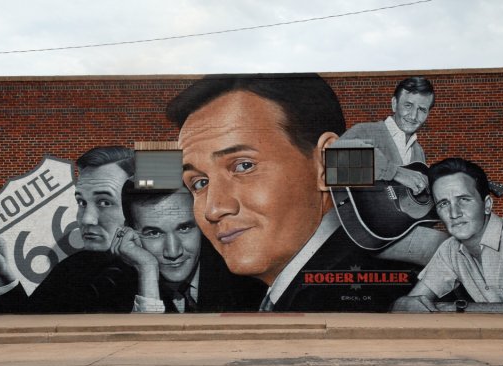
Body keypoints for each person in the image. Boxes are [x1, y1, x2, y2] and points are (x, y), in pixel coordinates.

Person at [167, 74, 417, 312]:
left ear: (326, 164)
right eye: (199, 183)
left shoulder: (355, 297)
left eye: (243, 166)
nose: (213, 209)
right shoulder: (295, 291)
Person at [0, 146, 138, 313]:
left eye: (105, 202)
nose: (86, 219)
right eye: (81, 202)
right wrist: (4, 277)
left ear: (135, 208)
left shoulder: (122, 277)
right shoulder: (80, 263)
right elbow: (33, 317)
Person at [392, 158, 503, 313]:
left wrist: (457, 309)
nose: (454, 213)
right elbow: (411, 302)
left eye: (464, 199)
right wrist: (403, 303)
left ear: (487, 205)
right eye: (444, 203)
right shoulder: (450, 250)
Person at [114, 183, 266, 313]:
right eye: (154, 233)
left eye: (184, 228)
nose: (173, 252)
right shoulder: (111, 287)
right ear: (128, 233)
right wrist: (147, 270)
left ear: (202, 223)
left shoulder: (249, 280)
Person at [338, 76, 435, 194]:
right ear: (394, 104)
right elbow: (332, 159)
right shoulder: (364, 130)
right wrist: (395, 172)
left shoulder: (418, 152)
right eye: (408, 105)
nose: (414, 116)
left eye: (422, 110)